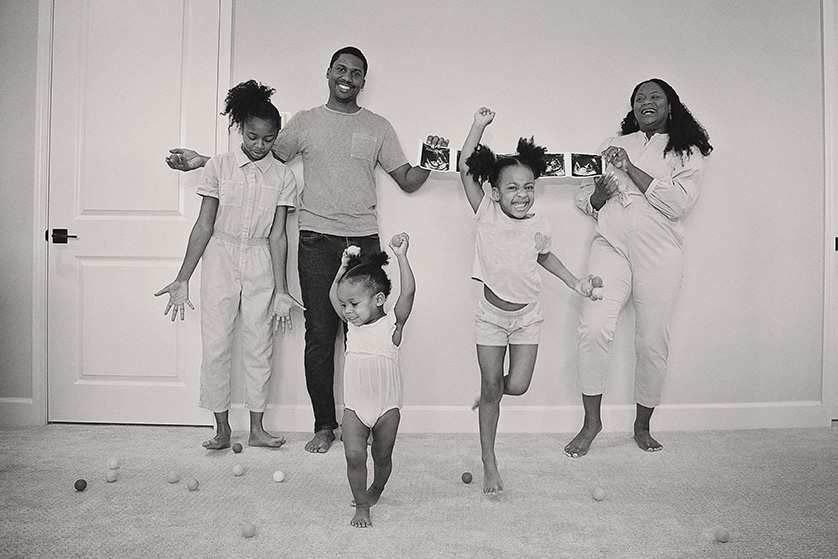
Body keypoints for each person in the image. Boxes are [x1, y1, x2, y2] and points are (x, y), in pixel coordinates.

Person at [166, 47, 443, 454]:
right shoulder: (305, 122)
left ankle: (362, 423)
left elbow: (407, 179)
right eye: (341, 69)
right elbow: (259, 163)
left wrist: (433, 160)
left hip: (364, 241)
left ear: (364, 81)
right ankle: (324, 425)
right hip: (315, 240)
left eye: (356, 73)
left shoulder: (379, 126)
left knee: (364, 339)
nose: (348, 77)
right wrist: (202, 162)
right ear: (329, 73)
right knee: (320, 338)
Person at [564, 78, 713, 458]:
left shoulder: (687, 151)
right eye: (639, 98)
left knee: (651, 341)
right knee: (593, 326)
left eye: (655, 97)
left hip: (659, 252)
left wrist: (630, 170)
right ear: (632, 108)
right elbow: (585, 197)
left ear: (669, 105)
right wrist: (599, 195)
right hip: (610, 245)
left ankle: (642, 424)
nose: (646, 102)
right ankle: (591, 422)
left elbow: (679, 205)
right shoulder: (613, 145)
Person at [459, 107, 601, 495]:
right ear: (495, 192)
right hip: (490, 317)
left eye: (528, 187)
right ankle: (489, 460)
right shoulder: (486, 213)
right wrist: (477, 126)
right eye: (512, 187)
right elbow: (464, 169)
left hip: (527, 318)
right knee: (493, 386)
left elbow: (545, 258)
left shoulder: (540, 223)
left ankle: (491, 392)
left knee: (517, 386)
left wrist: (577, 283)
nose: (521, 195)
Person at [155, 80, 300, 450]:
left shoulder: (284, 176)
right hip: (221, 255)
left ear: (276, 136)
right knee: (216, 343)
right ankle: (220, 427)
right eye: (252, 136)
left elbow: (278, 235)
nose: (259, 145)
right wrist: (182, 277)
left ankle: (257, 428)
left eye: (268, 139)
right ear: (240, 130)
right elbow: (204, 225)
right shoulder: (218, 166)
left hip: (260, 261)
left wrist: (282, 290)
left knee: (259, 344)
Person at [329, 233, 415, 528]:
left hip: (386, 408)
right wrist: (342, 269)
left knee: (382, 455)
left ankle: (377, 487)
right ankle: (362, 506)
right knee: (354, 456)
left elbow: (408, 294)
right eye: (345, 306)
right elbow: (333, 297)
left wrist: (401, 256)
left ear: (378, 299)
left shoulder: (393, 324)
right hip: (355, 407)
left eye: (353, 303)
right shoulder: (352, 326)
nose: (347, 311)